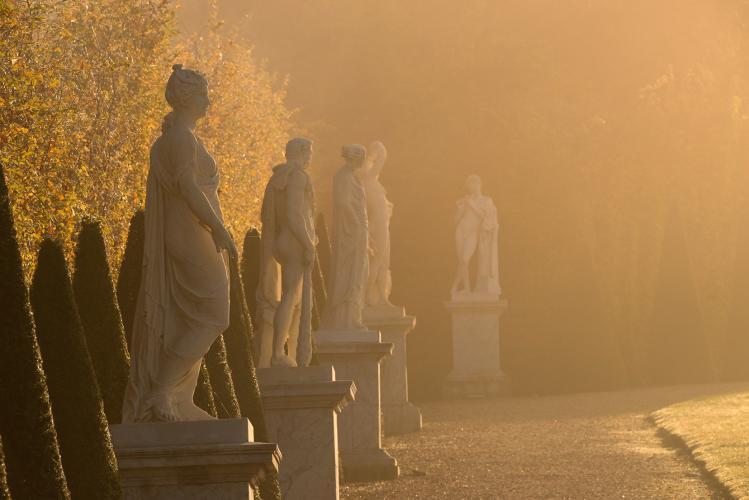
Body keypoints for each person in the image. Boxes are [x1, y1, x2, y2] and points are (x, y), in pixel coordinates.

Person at [123, 64, 237, 422]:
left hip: (191, 232)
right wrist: (218, 227)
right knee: (214, 315)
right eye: (203, 94)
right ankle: (161, 391)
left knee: (193, 318)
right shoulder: (180, 139)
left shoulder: (179, 136)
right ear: (188, 99)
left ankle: (177, 397)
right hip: (190, 234)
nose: (209, 100)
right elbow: (188, 187)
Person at [258, 138, 316, 367]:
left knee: (292, 299)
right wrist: (308, 244)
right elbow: (294, 214)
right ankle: (278, 354)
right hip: (294, 241)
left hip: (282, 240)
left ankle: (282, 351)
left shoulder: (278, 176)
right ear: (301, 153)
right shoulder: (298, 177)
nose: (310, 157)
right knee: (290, 296)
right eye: (309, 152)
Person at [321, 145, 370, 330]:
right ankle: (347, 319)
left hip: (356, 232)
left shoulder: (349, 176)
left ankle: (352, 316)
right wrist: (357, 224)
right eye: (362, 158)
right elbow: (343, 202)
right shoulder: (344, 177)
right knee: (350, 273)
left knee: (358, 273)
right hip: (349, 233)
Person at [451, 174, 501, 296]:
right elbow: (455, 220)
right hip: (461, 230)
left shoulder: (486, 200)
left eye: (473, 184)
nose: (471, 188)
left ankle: (454, 286)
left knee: (464, 259)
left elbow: (483, 216)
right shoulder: (465, 200)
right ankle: (466, 290)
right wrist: (460, 208)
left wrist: (470, 203)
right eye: (469, 186)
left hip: (473, 233)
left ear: (479, 185)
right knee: (463, 263)